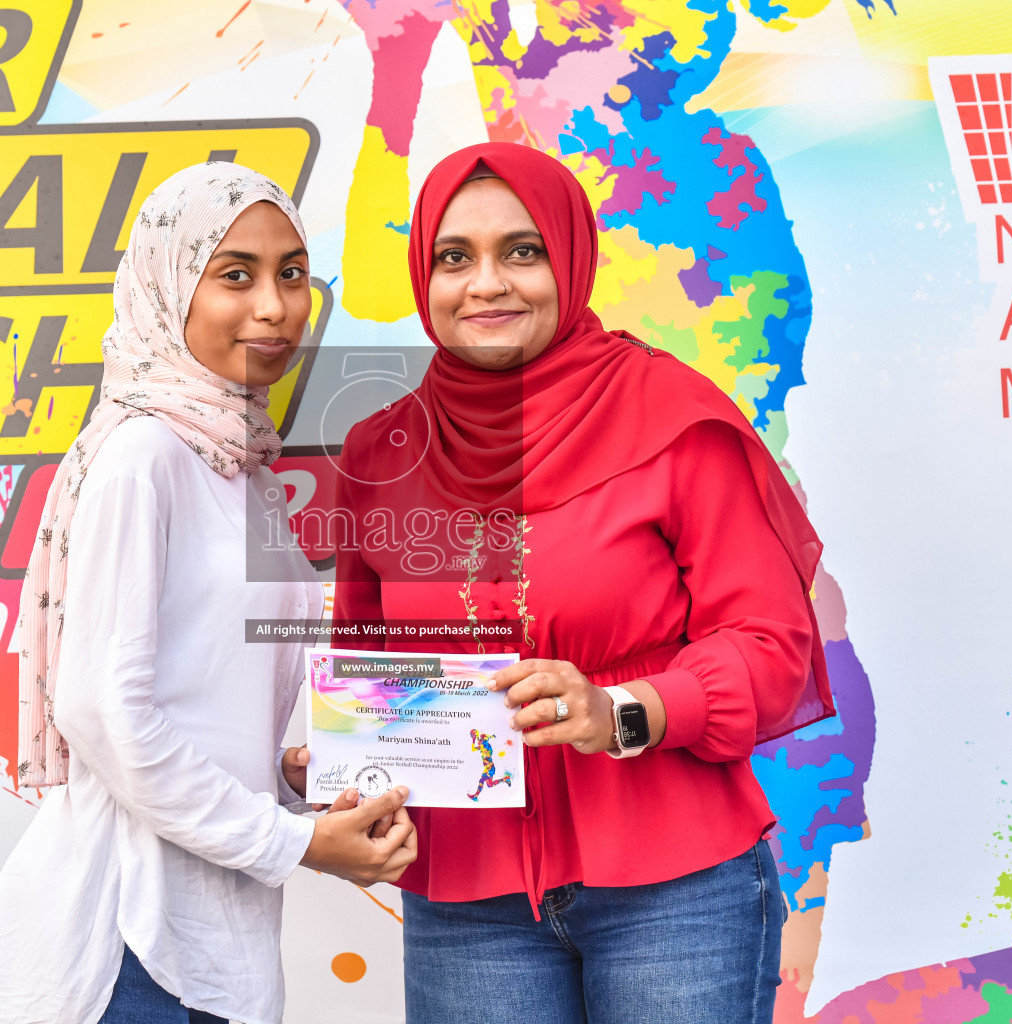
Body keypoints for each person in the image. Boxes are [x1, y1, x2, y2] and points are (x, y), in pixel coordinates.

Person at [332, 143, 834, 1022]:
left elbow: (771, 647)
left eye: (521, 251)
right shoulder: (380, 454)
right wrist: (337, 755)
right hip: (466, 900)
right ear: (423, 275)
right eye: (455, 257)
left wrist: (619, 711)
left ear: (569, 257)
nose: (486, 283)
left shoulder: (674, 420)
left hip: (677, 890)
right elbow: (369, 666)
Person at [0, 162, 416, 1024]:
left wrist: (293, 780)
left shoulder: (238, 465)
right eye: (236, 275)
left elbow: (206, 698)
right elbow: (104, 712)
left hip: (211, 939)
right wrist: (292, 840)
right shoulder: (144, 454)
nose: (273, 305)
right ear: (167, 285)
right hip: (127, 939)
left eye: (292, 273)